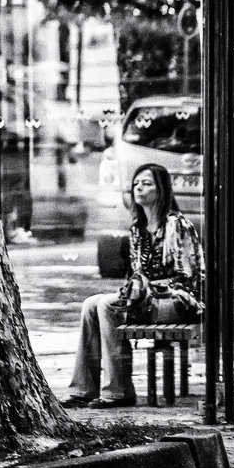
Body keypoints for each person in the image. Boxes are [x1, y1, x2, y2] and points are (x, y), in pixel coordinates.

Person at [61, 163, 205, 409]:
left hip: (180, 301)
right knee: (91, 304)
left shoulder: (177, 225)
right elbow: (137, 275)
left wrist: (147, 287)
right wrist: (136, 289)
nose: (139, 188)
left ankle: (119, 391)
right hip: (149, 300)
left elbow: (188, 278)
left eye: (146, 183)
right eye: (136, 183)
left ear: (161, 190)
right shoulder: (137, 229)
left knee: (108, 306)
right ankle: (83, 389)